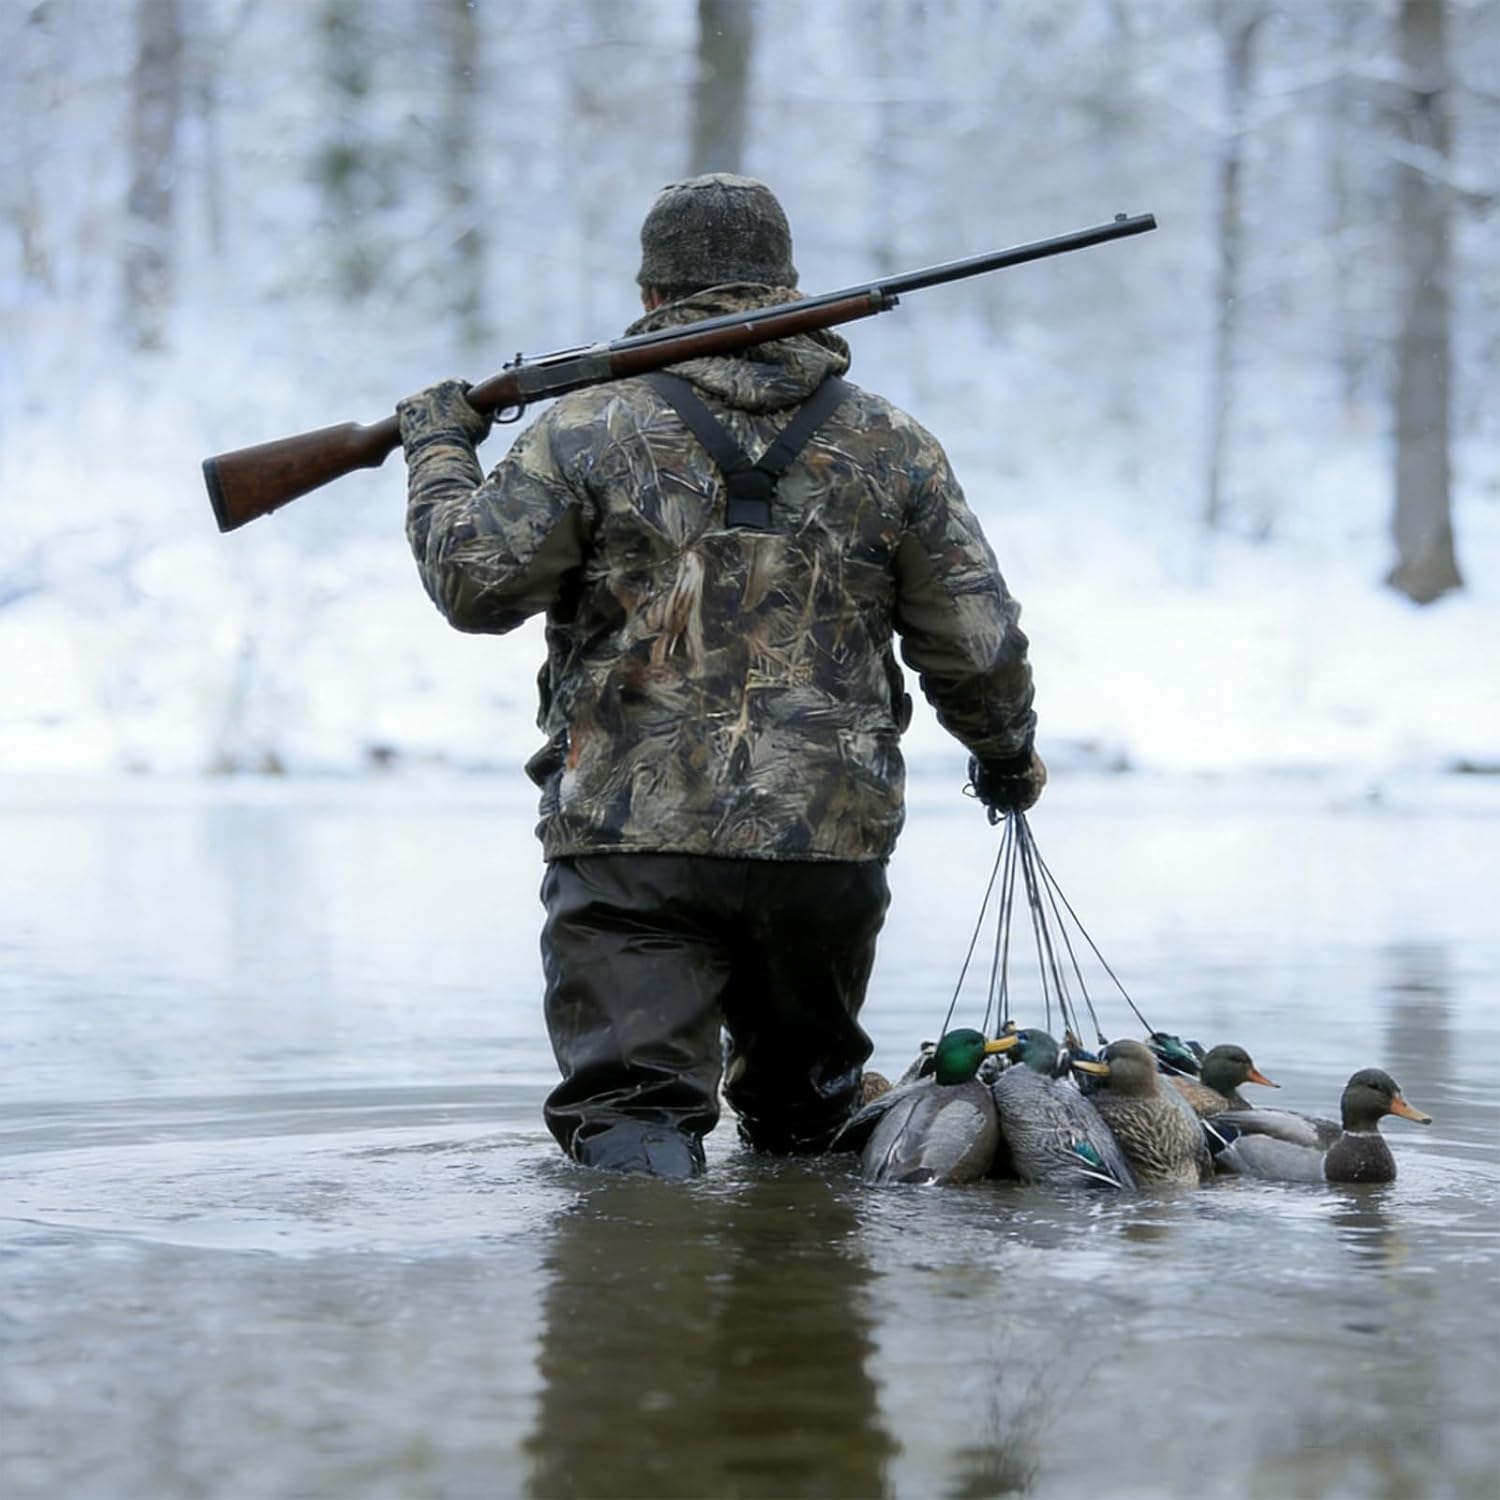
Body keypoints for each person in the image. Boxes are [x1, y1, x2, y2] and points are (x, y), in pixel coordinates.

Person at [396, 173, 1044, 1180]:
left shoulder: (584, 428)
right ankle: (798, 1307)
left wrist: (438, 447)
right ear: (788, 282)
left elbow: (474, 584)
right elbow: (976, 641)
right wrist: (1007, 758)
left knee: (631, 1124)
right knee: (806, 1123)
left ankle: (637, 1299)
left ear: (652, 295)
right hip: (825, 846)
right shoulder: (892, 444)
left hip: (629, 846)